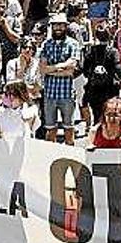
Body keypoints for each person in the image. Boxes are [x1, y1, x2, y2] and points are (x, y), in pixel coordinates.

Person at [39, 13, 81, 145]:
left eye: (61, 25)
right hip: (49, 93)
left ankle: (71, 156)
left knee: (69, 128)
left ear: (65, 27)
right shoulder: (46, 44)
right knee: (50, 129)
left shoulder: (72, 44)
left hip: (66, 93)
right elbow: (42, 69)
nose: (58, 28)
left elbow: (72, 67)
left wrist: (52, 69)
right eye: (55, 25)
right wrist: (62, 68)